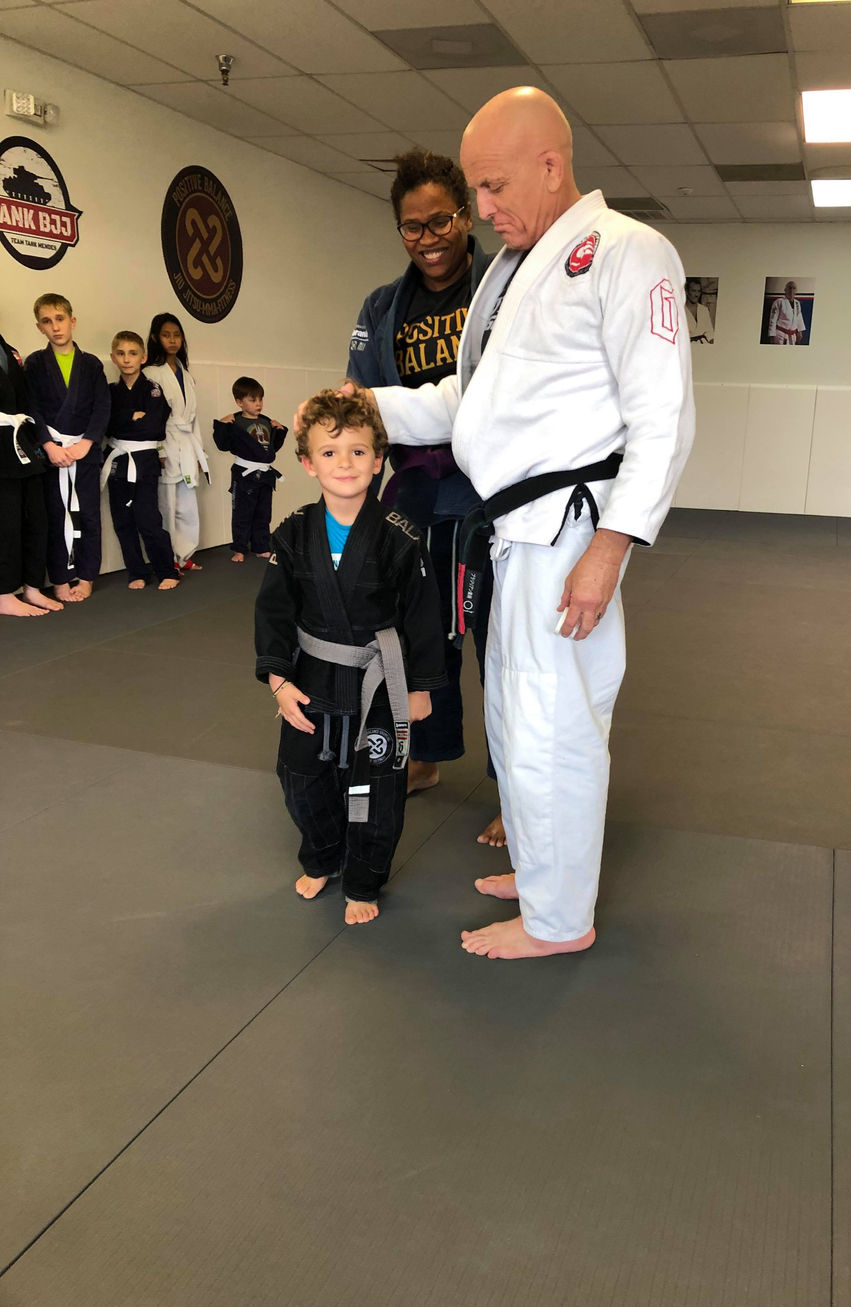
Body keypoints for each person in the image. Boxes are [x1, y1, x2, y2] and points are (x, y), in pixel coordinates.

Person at [339, 87, 695, 959]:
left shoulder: (628, 251)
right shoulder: (510, 269)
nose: (482, 207)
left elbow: (664, 416)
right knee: (513, 719)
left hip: (570, 531)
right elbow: (467, 401)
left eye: (493, 186)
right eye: (477, 188)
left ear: (551, 164)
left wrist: (611, 545)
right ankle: (539, 868)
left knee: (556, 726)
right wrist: (371, 405)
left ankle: (558, 919)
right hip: (514, 534)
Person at [346, 149, 507, 847]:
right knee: (420, 639)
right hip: (413, 493)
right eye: (412, 226)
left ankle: (513, 787)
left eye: (440, 220)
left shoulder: (504, 288)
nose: (429, 238)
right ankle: (430, 756)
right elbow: (361, 404)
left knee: (499, 647)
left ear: (466, 216)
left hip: (486, 492)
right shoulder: (382, 306)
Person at [255, 390, 446, 926]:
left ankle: (363, 879)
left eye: (358, 451)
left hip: (379, 681)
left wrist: (421, 688)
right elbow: (273, 611)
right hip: (311, 676)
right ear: (307, 462)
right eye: (330, 452)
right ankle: (322, 855)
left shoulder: (401, 538)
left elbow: (423, 617)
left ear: (378, 460)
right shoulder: (293, 532)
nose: (345, 463)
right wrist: (278, 680)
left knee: (376, 786)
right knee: (299, 774)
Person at [25, 293, 110, 603]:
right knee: (55, 514)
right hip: (52, 451)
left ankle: (86, 576)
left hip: (84, 450)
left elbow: (102, 406)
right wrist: (48, 444)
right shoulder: (35, 363)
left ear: (72, 321)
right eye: (47, 321)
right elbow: (32, 407)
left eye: (60, 319)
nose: (55, 327)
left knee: (88, 514)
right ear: (39, 327)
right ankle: (60, 578)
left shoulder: (91, 364)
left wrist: (88, 442)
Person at [100, 331, 180, 592]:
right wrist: (130, 416)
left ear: (143, 357)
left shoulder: (153, 389)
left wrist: (124, 421)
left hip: (144, 460)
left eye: (132, 353)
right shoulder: (110, 391)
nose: (126, 359)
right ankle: (137, 571)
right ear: (113, 357)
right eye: (121, 354)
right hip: (117, 458)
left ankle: (167, 570)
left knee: (148, 518)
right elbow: (104, 425)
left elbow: (154, 427)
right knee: (123, 520)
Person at [1, 326, 61, 616]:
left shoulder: (9, 350)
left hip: (21, 441)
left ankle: (32, 586)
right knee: (6, 523)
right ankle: (3, 593)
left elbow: (23, 398)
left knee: (37, 517)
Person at [143, 313, 209, 570]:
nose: (172, 340)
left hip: (187, 444)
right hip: (166, 443)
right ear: (155, 338)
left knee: (187, 505)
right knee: (167, 505)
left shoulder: (186, 373)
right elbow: (152, 418)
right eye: (166, 335)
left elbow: (194, 420)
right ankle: (167, 559)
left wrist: (201, 454)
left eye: (177, 335)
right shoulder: (151, 373)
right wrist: (159, 449)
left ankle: (184, 555)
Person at [212, 376, 287, 563]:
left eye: (260, 399)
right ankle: (239, 549)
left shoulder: (266, 421)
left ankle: (261, 546)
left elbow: (272, 449)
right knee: (242, 514)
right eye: (253, 400)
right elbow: (222, 445)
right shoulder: (235, 422)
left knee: (263, 512)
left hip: (265, 475)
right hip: (244, 475)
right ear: (240, 402)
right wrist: (222, 425)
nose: (258, 404)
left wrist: (279, 431)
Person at [684, 278, 714, 344]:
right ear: (686, 292)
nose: (697, 294)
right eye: (693, 291)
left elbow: (710, 332)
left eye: (698, 291)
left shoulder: (704, 309)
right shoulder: (680, 310)